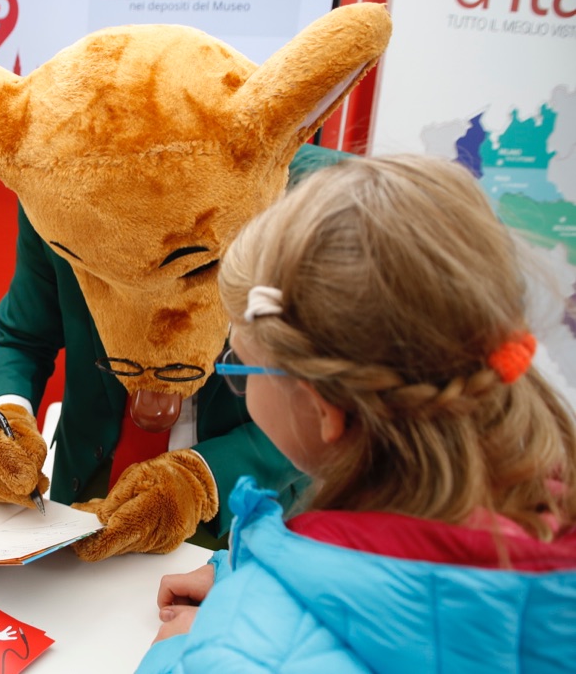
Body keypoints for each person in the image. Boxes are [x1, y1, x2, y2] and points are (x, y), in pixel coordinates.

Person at [137, 154, 576, 672]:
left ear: (324, 409)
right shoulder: (543, 505)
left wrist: (184, 651)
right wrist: (247, 574)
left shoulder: (234, 654)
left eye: (242, 367)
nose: (235, 378)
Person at [0, 145, 351, 549]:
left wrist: (202, 479)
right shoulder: (56, 186)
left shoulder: (317, 204)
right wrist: (4, 415)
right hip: (83, 485)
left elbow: (334, 399)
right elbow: (24, 336)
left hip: (239, 516)